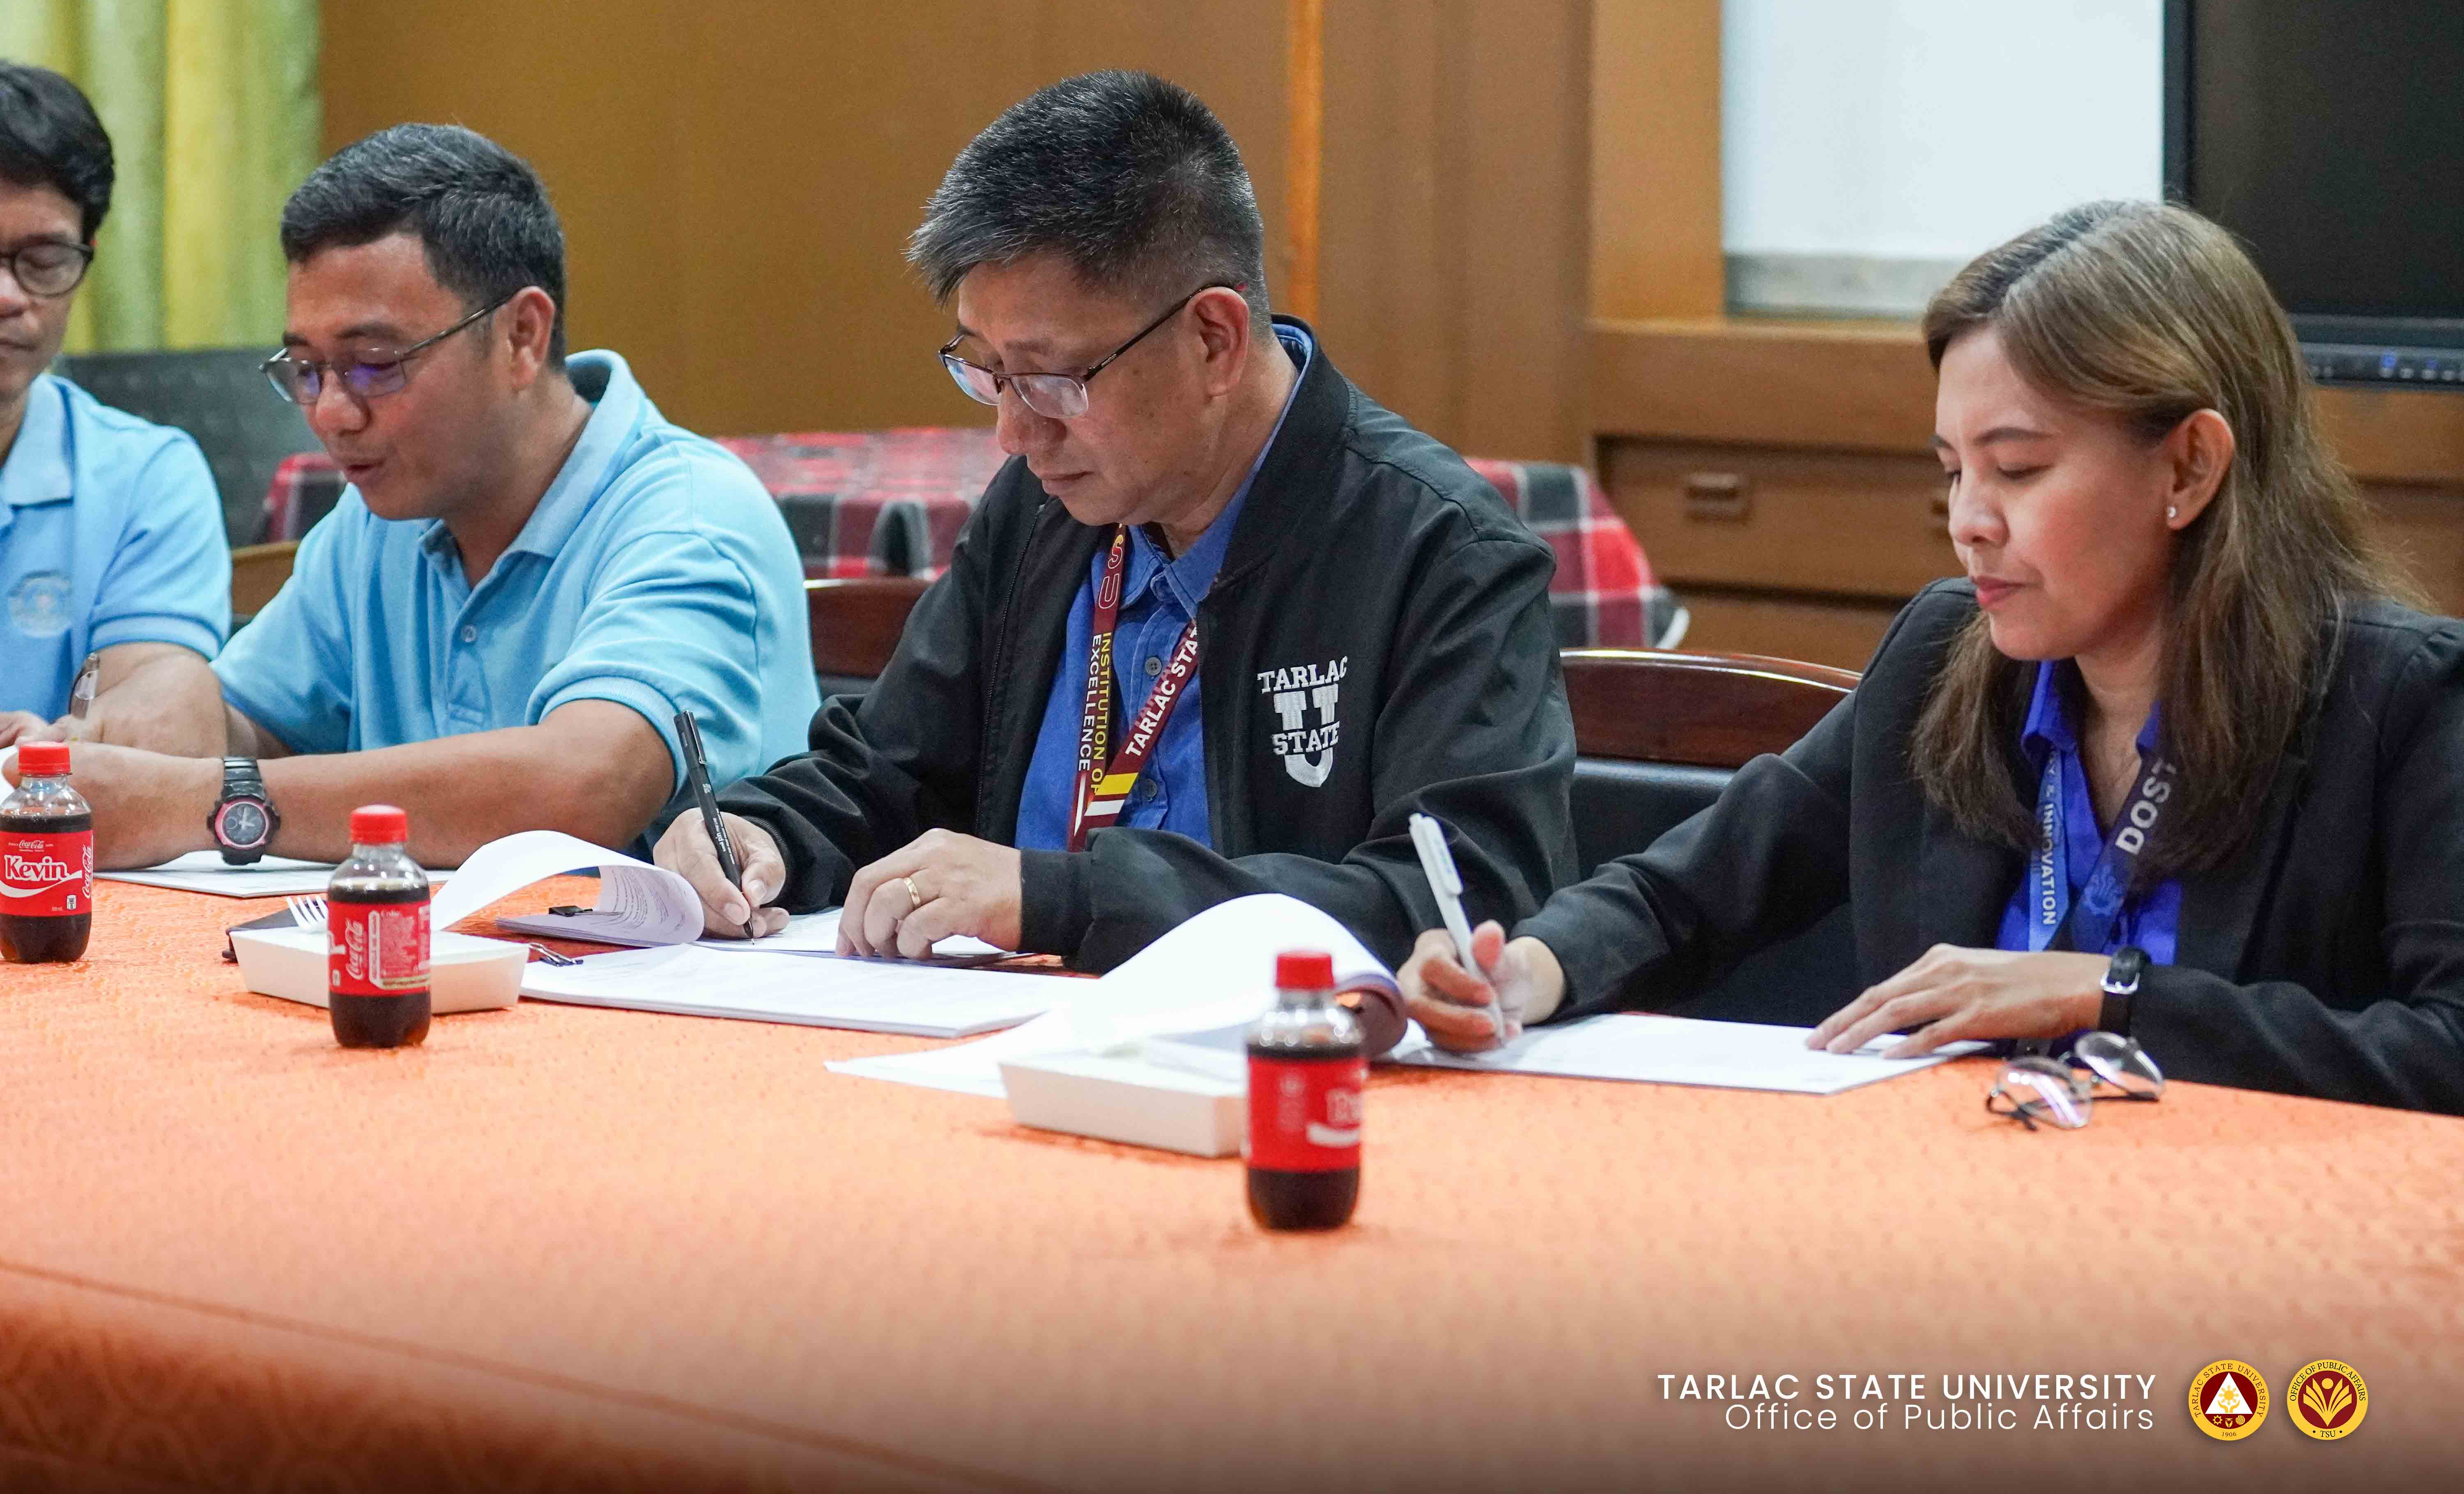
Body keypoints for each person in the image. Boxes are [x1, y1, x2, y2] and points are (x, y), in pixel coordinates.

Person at [1403, 200, 2464, 1114]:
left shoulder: (2401, 701)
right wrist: (1528, 971)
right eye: (1955, 471)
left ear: (2189, 467)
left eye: (2019, 470)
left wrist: (2108, 995)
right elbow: (1684, 895)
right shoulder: (1944, 655)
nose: (1970, 523)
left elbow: (2446, 1047)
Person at [657, 70, 1576, 971]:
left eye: (1053, 378)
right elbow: (888, 774)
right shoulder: (1046, 507)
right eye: (986, 370)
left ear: (1214, 339)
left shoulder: (1437, 549)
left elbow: (1463, 897)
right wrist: (761, 831)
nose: (1016, 433)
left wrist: (1061, 897)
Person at [8, 124, 817, 867]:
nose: (331, 413)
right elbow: (251, 726)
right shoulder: (382, 518)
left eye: (375, 364)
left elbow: (583, 784)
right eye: (307, 369)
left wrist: (208, 800)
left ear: (522, 336)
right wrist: (146, 722)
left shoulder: (689, 516)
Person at [0, 62, 228, 753]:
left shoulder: (145, 479)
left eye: (43, 259)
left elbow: (164, 714)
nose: (8, 296)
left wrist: (66, 751)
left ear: (86, 258)